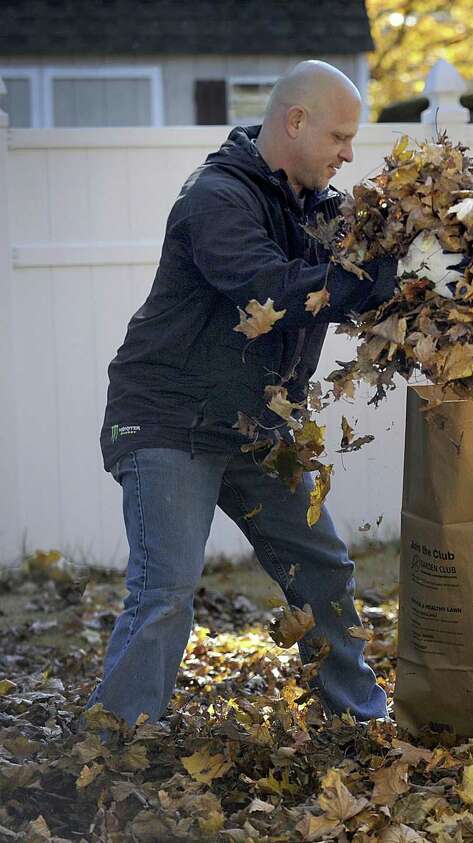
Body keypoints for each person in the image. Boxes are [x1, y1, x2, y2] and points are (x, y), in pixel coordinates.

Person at [91, 61, 394, 727]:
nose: (350, 154)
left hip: (254, 426)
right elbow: (275, 291)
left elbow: (370, 263)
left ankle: (358, 718)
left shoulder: (317, 208)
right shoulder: (214, 199)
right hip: (168, 421)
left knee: (323, 568)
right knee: (165, 590)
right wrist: (371, 279)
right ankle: (119, 739)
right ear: (295, 122)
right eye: (340, 136)